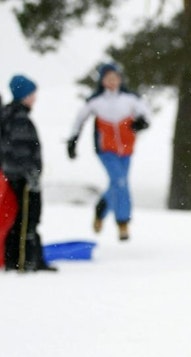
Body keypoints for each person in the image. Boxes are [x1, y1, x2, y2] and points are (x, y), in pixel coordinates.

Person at [67, 63, 151, 241]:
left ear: (120, 79)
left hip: (126, 150)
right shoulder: (96, 101)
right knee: (120, 182)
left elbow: (145, 114)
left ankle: (101, 210)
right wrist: (73, 141)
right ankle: (123, 223)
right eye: (108, 78)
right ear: (102, 81)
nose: (112, 82)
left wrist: (141, 123)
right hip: (106, 150)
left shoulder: (130, 98)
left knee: (118, 184)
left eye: (115, 78)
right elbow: (79, 119)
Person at [1, 74, 56, 273]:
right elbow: (20, 150)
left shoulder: (10, 114)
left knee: (19, 217)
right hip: (23, 178)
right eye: (32, 94)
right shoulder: (19, 119)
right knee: (28, 218)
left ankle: (16, 259)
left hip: (13, 175)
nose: (35, 98)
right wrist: (31, 173)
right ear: (23, 95)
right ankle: (25, 261)